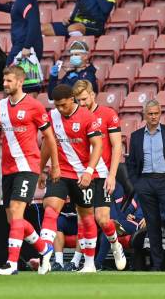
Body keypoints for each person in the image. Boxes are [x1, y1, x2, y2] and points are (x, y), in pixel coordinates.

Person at [0, 66, 57, 275]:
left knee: (17, 211)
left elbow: (49, 138)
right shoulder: (0, 107)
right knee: (13, 219)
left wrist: (53, 166)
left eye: (9, 81)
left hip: (28, 166)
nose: (5, 84)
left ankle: (11, 264)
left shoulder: (34, 106)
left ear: (20, 82)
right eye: (4, 81)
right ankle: (44, 249)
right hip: (8, 169)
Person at [38, 84, 103, 274]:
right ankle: (46, 257)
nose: (60, 109)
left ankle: (89, 264)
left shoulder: (87, 117)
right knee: (50, 209)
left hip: (82, 175)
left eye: (63, 105)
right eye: (57, 105)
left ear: (72, 100)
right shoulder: (51, 116)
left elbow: (97, 146)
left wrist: (89, 171)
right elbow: (47, 145)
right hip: (60, 173)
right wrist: (41, 170)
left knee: (86, 217)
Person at [72, 79, 127, 270]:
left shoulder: (107, 114)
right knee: (84, 219)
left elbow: (117, 145)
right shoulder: (75, 117)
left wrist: (112, 176)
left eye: (85, 99)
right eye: (78, 100)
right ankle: (83, 263)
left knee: (102, 219)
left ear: (93, 94)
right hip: (83, 175)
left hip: (103, 174)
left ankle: (115, 244)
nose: (82, 103)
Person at [126, 99, 165, 271]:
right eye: (150, 113)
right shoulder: (136, 136)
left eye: (156, 113)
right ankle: (157, 265)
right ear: (144, 115)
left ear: (160, 113)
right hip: (145, 182)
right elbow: (131, 163)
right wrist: (137, 184)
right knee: (152, 224)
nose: (153, 117)